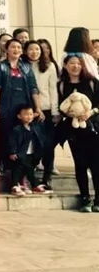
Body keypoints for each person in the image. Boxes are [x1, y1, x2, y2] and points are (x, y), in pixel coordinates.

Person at [0, 39, 42, 175]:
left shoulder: (26, 67)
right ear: (6, 49)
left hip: (23, 106)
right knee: (4, 134)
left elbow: (33, 88)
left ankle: (20, 169)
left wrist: (38, 107)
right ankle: (2, 165)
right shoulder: (0, 67)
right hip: (6, 105)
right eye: (13, 47)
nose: (16, 50)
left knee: (22, 137)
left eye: (19, 47)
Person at [57, 54, 99, 212]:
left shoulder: (92, 82)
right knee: (80, 165)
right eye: (72, 63)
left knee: (96, 164)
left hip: (93, 128)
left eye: (78, 63)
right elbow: (60, 106)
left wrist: (90, 113)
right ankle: (85, 198)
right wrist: (70, 113)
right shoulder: (62, 85)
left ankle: (98, 199)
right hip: (73, 130)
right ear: (65, 66)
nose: (75, 66)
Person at [23, 41, 61, 186]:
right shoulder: (22, 66)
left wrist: (55, 111)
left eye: (37, 49)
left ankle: (47, 177)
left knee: (48, 144)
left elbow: (53, 90)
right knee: (31, 144)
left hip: (46, 110)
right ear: (26, 51)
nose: (34, 52)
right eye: (31, 49)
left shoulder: (49, 66)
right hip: (28, 110)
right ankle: (29, 176)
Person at [8, 104, 50, 197]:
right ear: (19, 116)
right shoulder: (17, 129)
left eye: (31, 114)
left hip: (30, 153)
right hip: (20, 154)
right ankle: (15, 186)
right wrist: (12, 152)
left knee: (28, 170)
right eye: (26, 114)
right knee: (17, 169)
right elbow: (12, 141)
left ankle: (30, 185)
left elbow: (39, 140)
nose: (29, 116)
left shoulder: (35, 127)